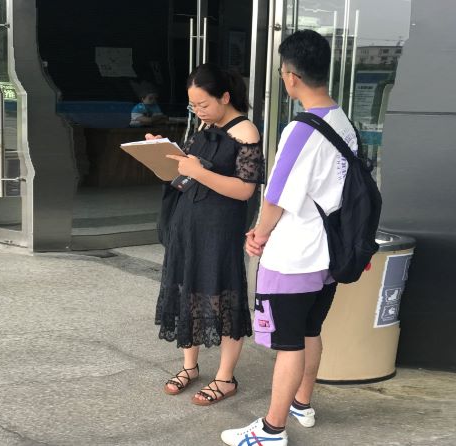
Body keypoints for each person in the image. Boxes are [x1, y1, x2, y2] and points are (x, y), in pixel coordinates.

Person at [221, 30, 358, 445]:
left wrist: (258, 235)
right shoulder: (344, 123)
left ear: (291, 76)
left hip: (294, 255)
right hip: (329, 252)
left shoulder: (301, 129)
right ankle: (302, 403)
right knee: (311, 330)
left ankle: (271, 430)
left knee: (289, 343)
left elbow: (275, 197)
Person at [153, 63, 265, 406]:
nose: (198, 111)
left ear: (225, 97)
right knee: (186, 287)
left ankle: (225, 378)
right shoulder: (205, 125)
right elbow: (185, 172)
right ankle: (189, 366)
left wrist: (197, 171)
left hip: (220, 224)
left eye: (203, 104)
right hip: (187, 219)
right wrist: (161, 155)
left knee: (224, 292)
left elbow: (245, 189)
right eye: (193, 106)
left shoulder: (245, 131)